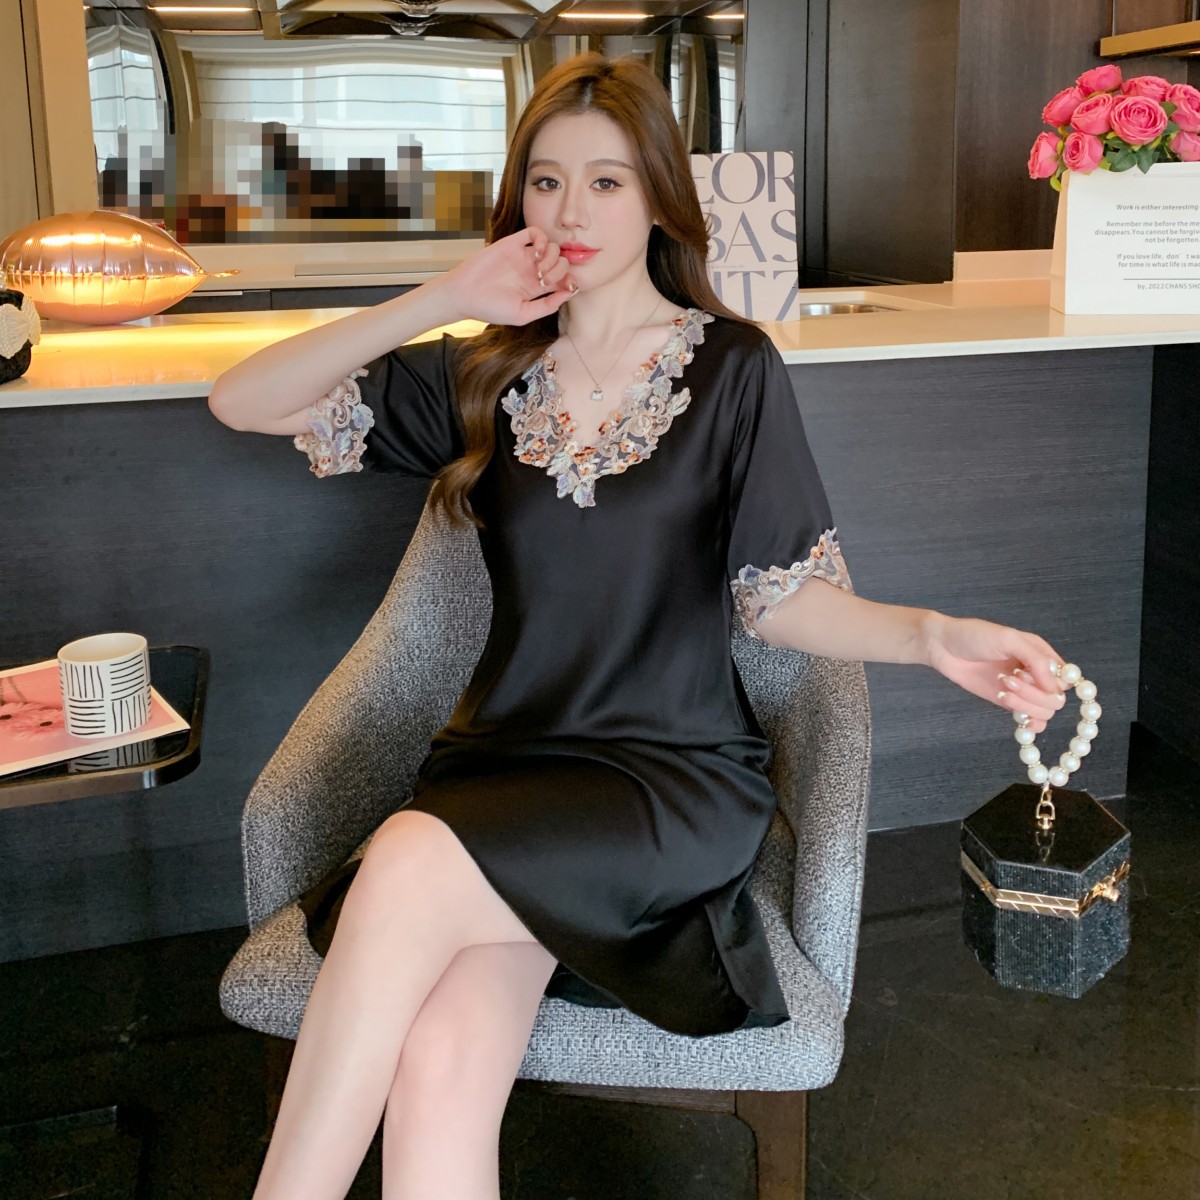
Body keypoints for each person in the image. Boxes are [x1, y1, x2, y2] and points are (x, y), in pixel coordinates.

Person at [208, 51, 1072, 1200]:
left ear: (660, 197)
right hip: (509, 771)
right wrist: (445, 298)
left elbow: (777, 599)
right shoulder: (489, 374)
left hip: (668, 779)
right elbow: (243, 399)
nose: (571, 212)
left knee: (407, 861)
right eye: (547, 181)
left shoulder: (733, 371)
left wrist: (930, 634)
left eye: (606, 182)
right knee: (441, 1063)